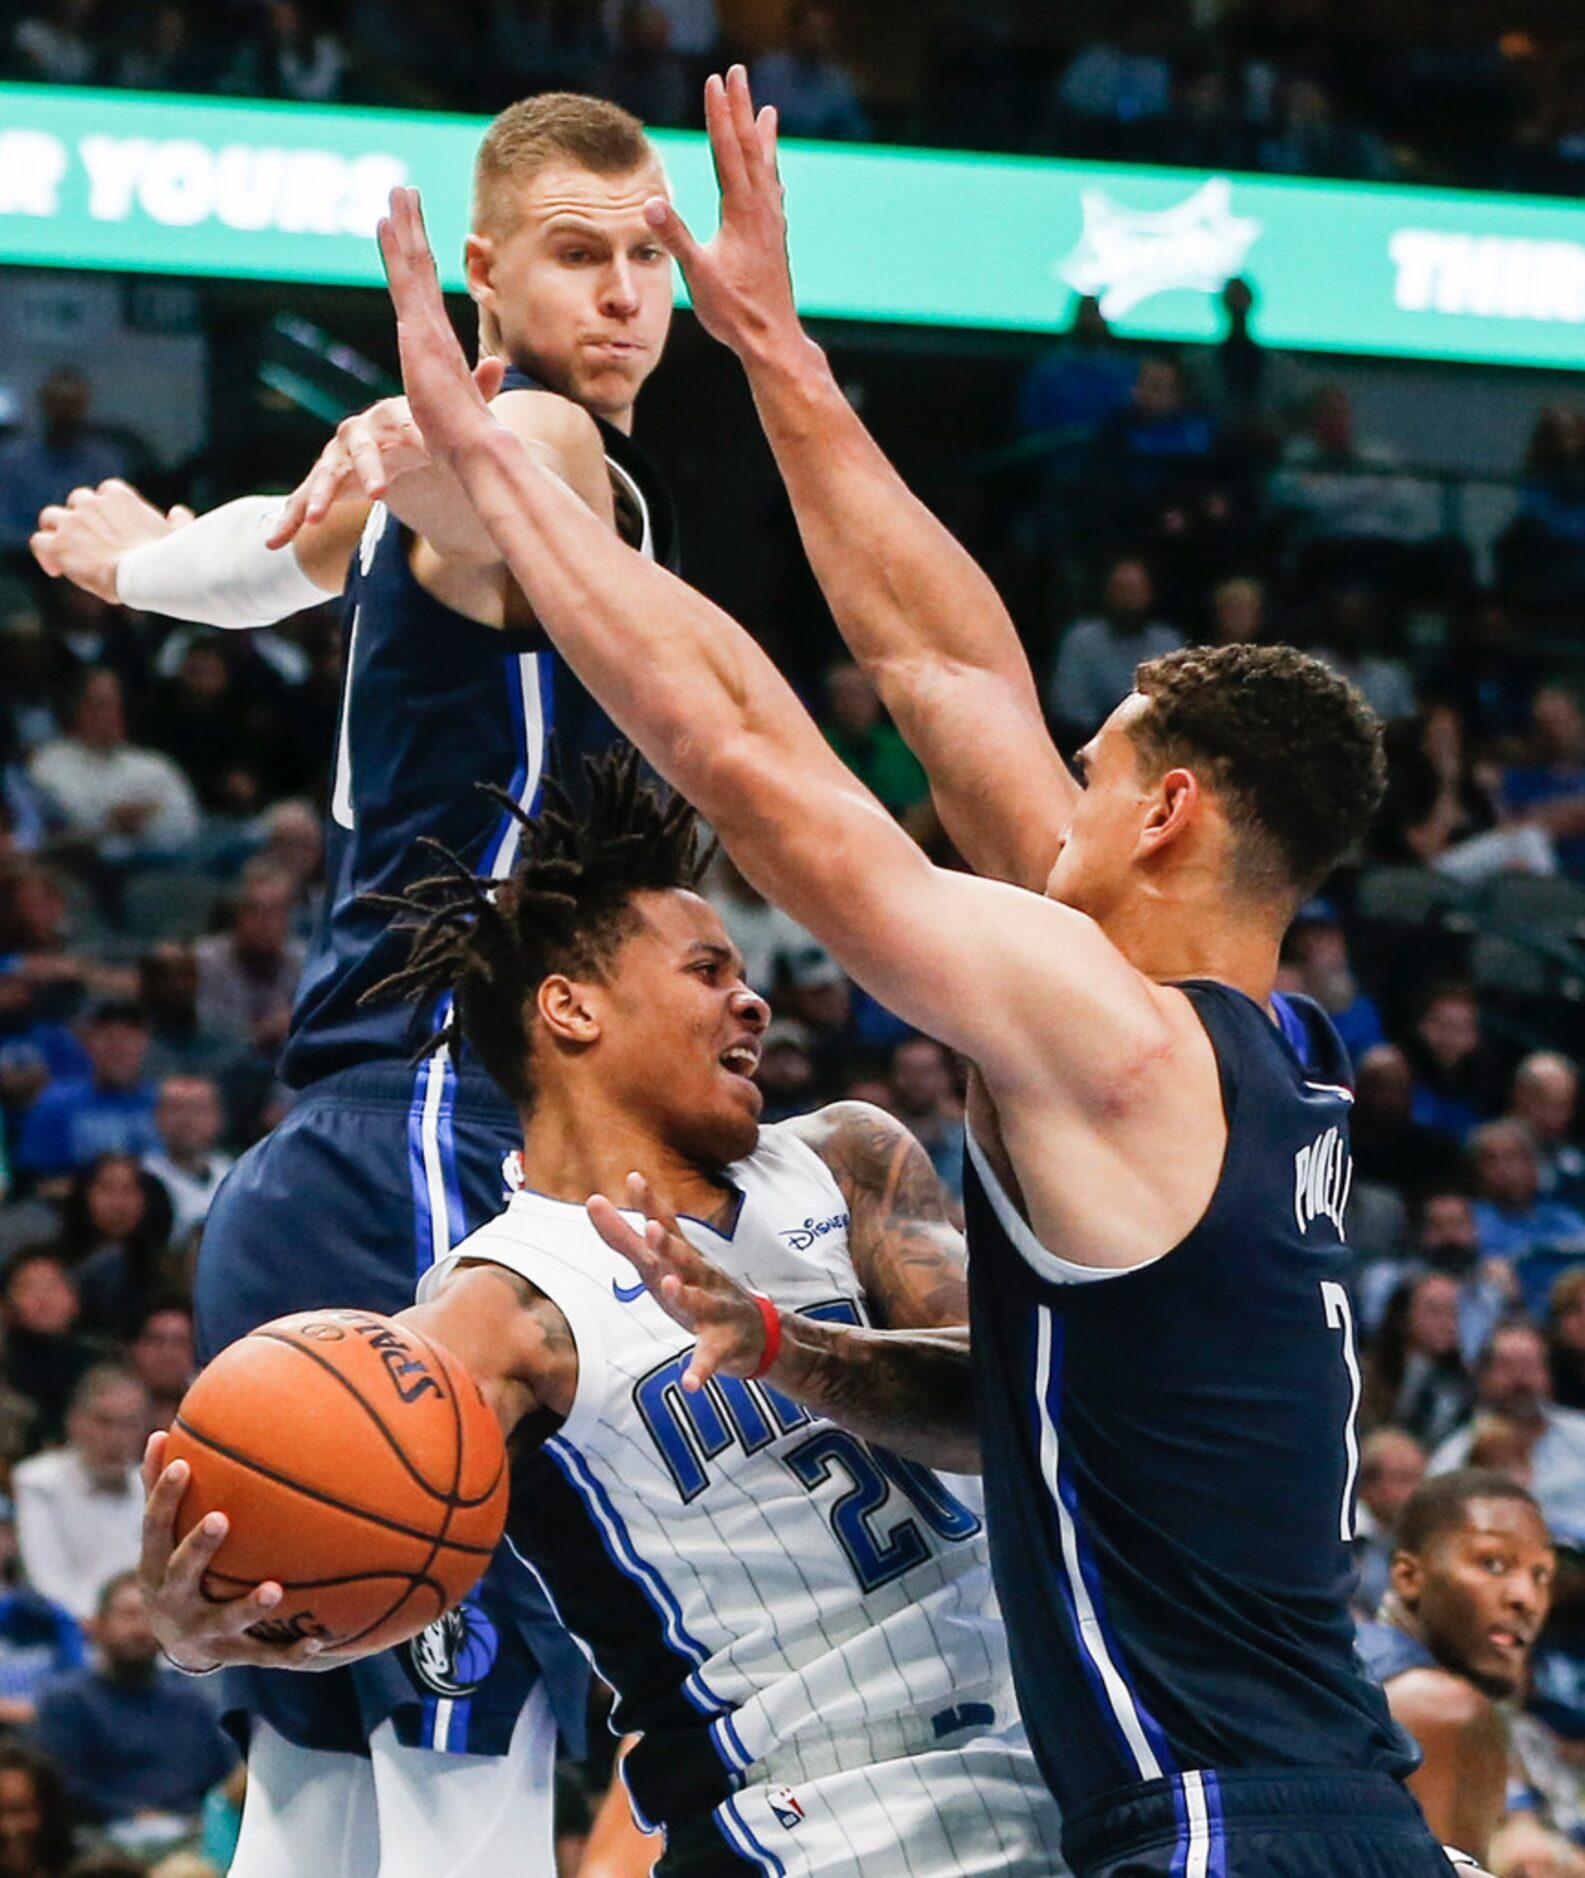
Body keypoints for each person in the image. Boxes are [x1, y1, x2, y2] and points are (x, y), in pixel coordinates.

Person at [321, 74, 1460, 1874]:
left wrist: (509, 480)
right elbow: (946, 672)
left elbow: (768, 773)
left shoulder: (1118, 1050)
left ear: (1166, 812)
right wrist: (773, 346)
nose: (1043, 778)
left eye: (1093, 764)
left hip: (1224, 1826)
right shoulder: (1267, 1050)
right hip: (1313, 1799)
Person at [31, 89, 683, 1878]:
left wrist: (144, 560)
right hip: (435, 1132)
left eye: (651, 255)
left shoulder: (480, 475)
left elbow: (301, 541)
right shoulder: (540, 442)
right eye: (579, 252)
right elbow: (472, 465)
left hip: (338, 1146)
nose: (627, 291)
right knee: (468, 1743)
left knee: (322, 1778)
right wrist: (425, 421)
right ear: (485, 272)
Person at [141, 753, 1069, 1876]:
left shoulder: (849, 1159)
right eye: (706, 968)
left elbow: (1008, 1409)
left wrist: (780, 1345)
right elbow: (356, 1563)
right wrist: (209, 1636)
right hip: (808, 1820)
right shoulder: (496, 1316)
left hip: (1056, 1759)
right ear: (571, 1007)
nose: (754, 998)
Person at [1357, 1470, 1555, 1866]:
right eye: (1494, 1564)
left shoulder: (1360, 1659)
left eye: (1540, 1575)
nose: (1526, 1598)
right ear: (1408, 1577)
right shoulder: (1442, 1706)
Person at [33, 1572, 235, 1833]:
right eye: (129, 1616)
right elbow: (63, 1790)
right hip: (106, 1839)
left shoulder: (191, 1702)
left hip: (195, 1835)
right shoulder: (67, 1702)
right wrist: (135, 1816)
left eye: (150, 1618)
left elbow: (218, 1779)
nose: (141, 1629)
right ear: (97, 1625)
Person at [1431, 1324, 1585, 1548]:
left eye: (1530, 1366)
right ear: (1483, 1377)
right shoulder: (1454, 1460)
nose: (1521, 1380)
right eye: (1509, 1367)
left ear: (1547, 1374)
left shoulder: (1580, 1436)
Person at [13, 1366, 146, 1622]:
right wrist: (107, 1623)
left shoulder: (153, 1487)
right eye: (103, 1421)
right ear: (75, 1422)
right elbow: (46, 1582)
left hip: (144, 1639)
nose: (115, 1437)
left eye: (129, 1424)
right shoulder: (37, 1482)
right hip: (64, 1634)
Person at [26, 670, 200, 865]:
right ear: (79, 709)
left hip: (161, 861)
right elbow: (62, 818)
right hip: (90, 867)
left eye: (116, 705)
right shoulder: (50, 762)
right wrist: (111, 821)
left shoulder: (152, 764)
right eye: (101, 704)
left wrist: (145, 824)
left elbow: (187, 823)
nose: (111, 714)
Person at [14, 1002, 160, 1192]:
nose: (117, 1047)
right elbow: (36, 1181)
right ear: (88, 1043)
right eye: (107, 1037)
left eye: (127, 1037)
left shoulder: (164, 1102)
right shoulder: (55, 1103)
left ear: (144, 1042)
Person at [140, 1076, 233, 1247]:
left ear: (217, 1117)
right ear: (157, 1117)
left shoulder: (233, 1173)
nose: (186, 1119)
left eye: (197, 1109)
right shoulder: (142, 1178)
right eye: (175, 1109)